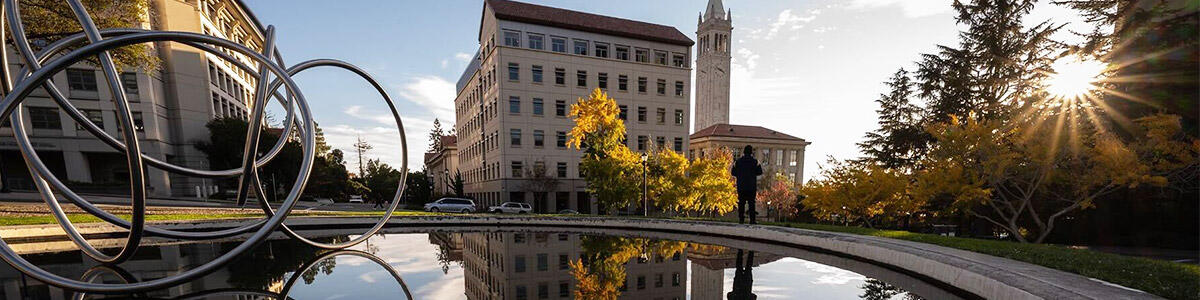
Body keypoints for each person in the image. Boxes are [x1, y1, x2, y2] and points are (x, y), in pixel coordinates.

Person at [731, 145, 763, 224]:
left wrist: (740, 174)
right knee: (751, 203)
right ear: (751, 152)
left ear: (744, 152)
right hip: (751, 186)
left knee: (741, 203)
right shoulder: (755, 161)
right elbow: (760, 172)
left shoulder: (738, 162)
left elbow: (733, 172)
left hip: (741, 186)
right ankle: (752, 220)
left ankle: (741, 219)